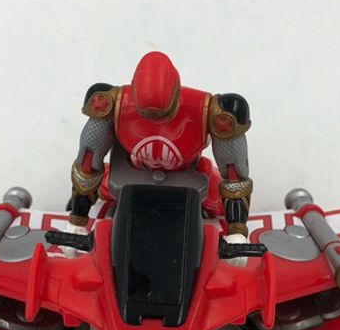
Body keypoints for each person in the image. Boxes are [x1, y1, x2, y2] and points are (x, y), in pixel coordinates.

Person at [65, 51, 252, 251]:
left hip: (190, 177)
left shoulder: (211, 111)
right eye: (147, 114)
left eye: (161, 114)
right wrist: (77, 220)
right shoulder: (111, 104)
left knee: (217, 203)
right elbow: (89, 161)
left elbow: (234, 174)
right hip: (134, 174)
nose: (154, 119)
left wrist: (236, 232)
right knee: (102, 185)